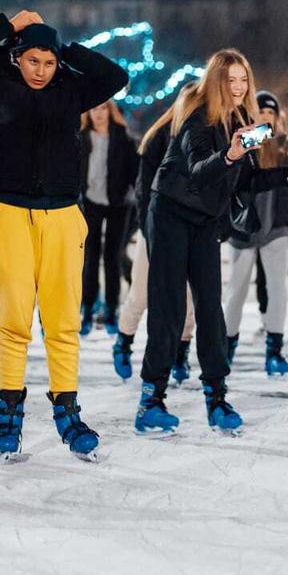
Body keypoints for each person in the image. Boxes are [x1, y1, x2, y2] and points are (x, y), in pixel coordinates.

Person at [0, 9, 128, 460]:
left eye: (48, 63)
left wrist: (60, 46)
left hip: (63, 214)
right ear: (16, 58)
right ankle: (9, 410)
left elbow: (115, 76)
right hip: (7, 212)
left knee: (63, 320)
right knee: (13, 319)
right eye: (33, 60)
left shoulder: (70, 89)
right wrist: (11, 25)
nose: (41, 71)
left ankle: (66, 408)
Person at [135, 51, 276, 435]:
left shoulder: (246, 122)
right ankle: (151, 399)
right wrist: (230, 154)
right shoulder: (196, 116)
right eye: (230, 80)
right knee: (168, 309)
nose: (238, 87)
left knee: (210, 307)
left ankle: (216, 396)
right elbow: (199, 170)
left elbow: (245, 180)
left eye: (243, 79)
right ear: (216, 82)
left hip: (204, 221)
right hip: (170, 214)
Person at [112, 89, 197, 385]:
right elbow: (143, 189)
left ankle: (181, 351)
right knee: (140, 293)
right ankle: (123, 342)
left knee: (187, 296)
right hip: (155, 229)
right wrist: (150, 228)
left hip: (189, 229)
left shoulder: (204, 136)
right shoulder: (159, 136)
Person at [223, 90, 288, 377]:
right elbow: (236, 177)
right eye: (261, 112)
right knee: (236, 290)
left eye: (271, 112)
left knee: (278, 288)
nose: (266, 117)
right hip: (244, 227)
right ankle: (226, 347)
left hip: (276, 225)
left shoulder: (285, 145)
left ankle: (275, 350)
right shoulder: (246, 141)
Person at [79, 99, 138, 336]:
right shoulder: (80, 138)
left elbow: (135, 172)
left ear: (110, 111)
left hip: (118, 204)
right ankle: (88, 310)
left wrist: (137, 197)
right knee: (90, 258)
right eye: (94, 108)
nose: (98, 113)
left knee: (113, 257)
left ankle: (112, 311)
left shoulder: (123, 138)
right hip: (89, 203)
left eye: (103, 108)